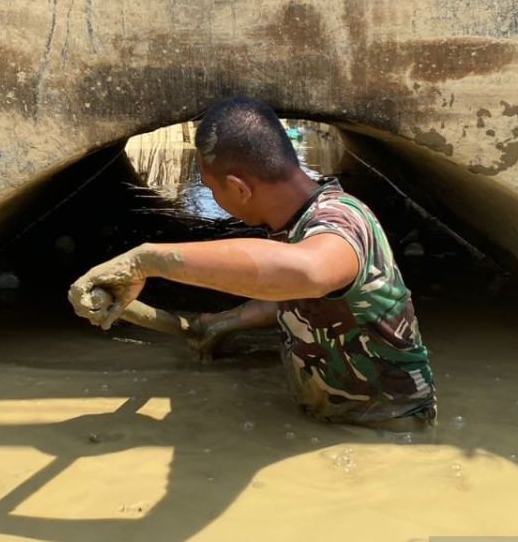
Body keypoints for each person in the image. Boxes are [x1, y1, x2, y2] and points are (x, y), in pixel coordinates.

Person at [68, 96, 436, 430]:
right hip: (334, 424)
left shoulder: (341, 221)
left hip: (386, 430)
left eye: (212, 190)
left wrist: (148, 261)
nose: (214, 196)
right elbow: (290, 293)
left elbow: (310, 274)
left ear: (240, 188)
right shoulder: (291, 222)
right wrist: (223, 323)